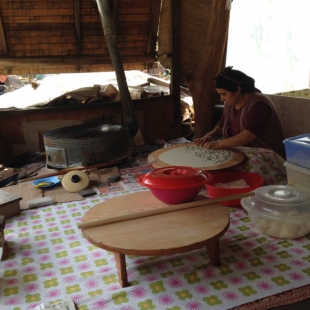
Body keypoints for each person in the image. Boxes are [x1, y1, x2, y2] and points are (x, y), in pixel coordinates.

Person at [194, 66, 287, 185]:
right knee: (212, 160)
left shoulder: (259, 104)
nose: (222, 99)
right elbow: (221, 127)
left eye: (224, 94)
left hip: (266, 153)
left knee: (248, 168)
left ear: (237, 90)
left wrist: (219, 143)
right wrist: (209, 136)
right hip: (243, 150)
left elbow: (248, 136)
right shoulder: (231, 103)